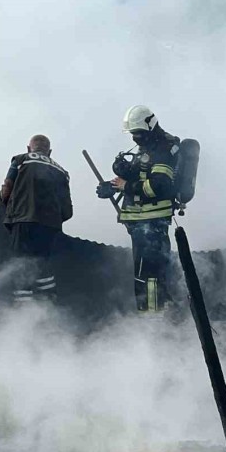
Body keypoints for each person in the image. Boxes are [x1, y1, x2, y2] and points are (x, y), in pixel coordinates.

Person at [96, 105, 180, 314]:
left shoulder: (163, 149)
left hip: (152, 222)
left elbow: (159, 186)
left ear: (150, 126)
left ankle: (152, 319)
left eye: (138, 133)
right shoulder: (149, 147)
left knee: (148, 275)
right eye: (132, 134)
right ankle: (163, 314)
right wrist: (113, 186)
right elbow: (139, 178)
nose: (135, 138)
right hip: (142, 222)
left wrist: (126, 186)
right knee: (153, 272)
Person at [0, 134, 73, 305]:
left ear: (28, 148)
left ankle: (23, 310)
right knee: (43, 266)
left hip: (22, 222)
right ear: (50, 152)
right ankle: (48, 307)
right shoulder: (61, 171)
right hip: (50, 227)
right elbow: (67, 211)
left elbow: (6, 190)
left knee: (20, 265)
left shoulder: (21, 160)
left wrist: (9, 207)